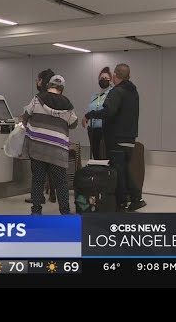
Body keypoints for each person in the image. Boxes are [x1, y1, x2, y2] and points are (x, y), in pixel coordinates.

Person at [84, 63, 145, 211]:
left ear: (114, 76)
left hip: (117, 137)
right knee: (124, 169)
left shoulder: (117, 92)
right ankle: (137, 198)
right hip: (130, 138)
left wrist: (90, 115)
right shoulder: (133, 91)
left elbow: (109, 112)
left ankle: (121, 203)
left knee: (118, 172)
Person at [22, 75, 78, 215]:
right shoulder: (67, 105)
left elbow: (26, 115)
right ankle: (64, 212)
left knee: (38, 180)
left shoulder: (37, 99)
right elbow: (73, 123)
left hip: (38, 148)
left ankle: (36, 211)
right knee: (61, 182)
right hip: (57, 150)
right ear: (62, 88)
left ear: (48, 85)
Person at [25, 68, 55, 204]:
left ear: (42, 81)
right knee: (52, 168)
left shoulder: (38, 99)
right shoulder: (58, 99)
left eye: (38, 79)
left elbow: (27, 113)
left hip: (38, 139)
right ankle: (53, 194)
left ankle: (37, 197)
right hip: (53, 139)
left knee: (37, 171)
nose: (36, 82)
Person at [82, 67, 113, 159]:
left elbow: (107, 111)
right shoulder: (95, 96)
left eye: (106, 78)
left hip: (104, 131)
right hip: (93, 130)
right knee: (96, 156)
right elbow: (91, 109)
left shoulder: (112, 95)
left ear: (110, 81)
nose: (103, 80)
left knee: (103, 156)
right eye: (101, 78)